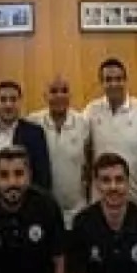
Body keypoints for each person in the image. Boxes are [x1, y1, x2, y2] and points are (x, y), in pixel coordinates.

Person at [85, 60, 137, 212]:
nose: (114, 84)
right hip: (101, 200)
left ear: (126, 80)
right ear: (101, 83)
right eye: (108, 80)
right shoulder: (90, 111)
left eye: (118, 79)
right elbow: (85, 153)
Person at [34, 78, 91, 225]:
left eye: (64, 91)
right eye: (54, 91)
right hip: (43, 209)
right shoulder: (34, 123)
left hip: (77, 208)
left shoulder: (83, 123)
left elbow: (89, 163)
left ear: (70, 95)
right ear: (45, 96)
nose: (59, 95)